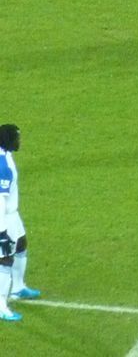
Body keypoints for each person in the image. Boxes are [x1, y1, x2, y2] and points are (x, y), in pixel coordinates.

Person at [0, 124, 41, 323]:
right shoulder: (3, 167)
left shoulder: (5, 155)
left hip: (11, 215)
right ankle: (1, 306)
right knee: (5, 259)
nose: (20, 141)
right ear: (9, 140)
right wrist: (1, 232)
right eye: (17, 138)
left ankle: (17, 287)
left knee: (21, 244)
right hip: (3, 217)